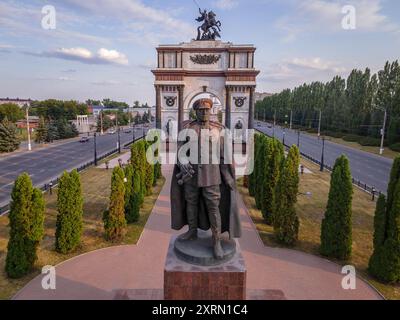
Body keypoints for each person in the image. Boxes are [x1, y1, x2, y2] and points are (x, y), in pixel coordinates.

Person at [170, 98, 241, 260]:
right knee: (191, 203)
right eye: (201, 110)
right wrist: (183, 162)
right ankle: (192, 231)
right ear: (195, 111)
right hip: (191, 176)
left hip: (212, 175)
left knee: (213, 208)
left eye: (207, 110)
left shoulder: (219, 130)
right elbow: (180, 152)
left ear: (211, 111)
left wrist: (228, 177)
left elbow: (224, 157)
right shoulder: (187, 128)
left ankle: (216, 241)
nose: (204, 112)